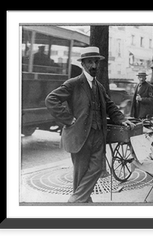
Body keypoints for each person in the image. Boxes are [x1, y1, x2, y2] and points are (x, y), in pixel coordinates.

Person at [45, 46, 135, 203]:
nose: (94, 66)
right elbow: (51, 100)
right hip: (80, 135)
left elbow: (109, 106)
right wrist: (68, 119)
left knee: (97, 169)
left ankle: (77, 200)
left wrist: (120, 118)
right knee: (81, 173)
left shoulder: (98, 86)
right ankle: (82, 202)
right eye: (89, 62)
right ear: (83, 64)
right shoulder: (73, 83)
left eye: (96, 62)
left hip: (98, 134)